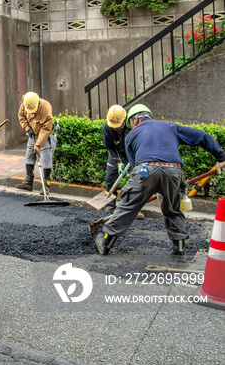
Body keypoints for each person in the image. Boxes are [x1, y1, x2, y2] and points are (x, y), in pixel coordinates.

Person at [95, 104, 225, 256]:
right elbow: (203, 136)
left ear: (135, 120)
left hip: (144, 170)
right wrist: (221, 157)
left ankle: (105, 243)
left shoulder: (131, 135)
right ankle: (179, 248)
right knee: (172, 209)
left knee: (127, 206)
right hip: (173, 171)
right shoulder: (171, 127)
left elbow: (135, 165)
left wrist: (146, 187)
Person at [15, 92, 56, 192]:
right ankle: (28, 182)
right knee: (29, 155)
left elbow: (46, 129)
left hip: (45, 135)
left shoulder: (46, 107)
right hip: (33, 133)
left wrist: (38, 145)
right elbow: (21, 116)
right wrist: (27, 128)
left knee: (46, 158)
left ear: (37, 104)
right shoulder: (25, 104)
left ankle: (46, 185)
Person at [102, 105, 131, 212]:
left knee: (137, 179)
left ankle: (134, 206)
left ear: (125, 119)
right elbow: (110, 146)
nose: (116, 128)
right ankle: (110, 205)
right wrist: (119, 162)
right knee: (110, 178)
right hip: (117, 152)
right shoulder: (107, 127)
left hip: (132, 154)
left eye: (118, 126)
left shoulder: (132, 126)